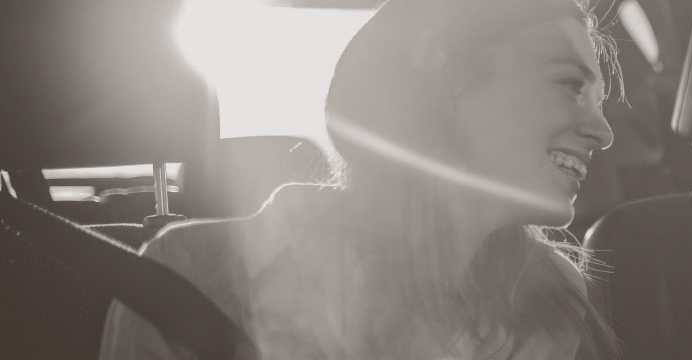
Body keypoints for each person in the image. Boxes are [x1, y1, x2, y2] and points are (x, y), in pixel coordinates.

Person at [97, 0, 621, 358]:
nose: (602, 131)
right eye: (569, 84)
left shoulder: (555, 303)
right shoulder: (199, 277)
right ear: (443, 83)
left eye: (600, 101)